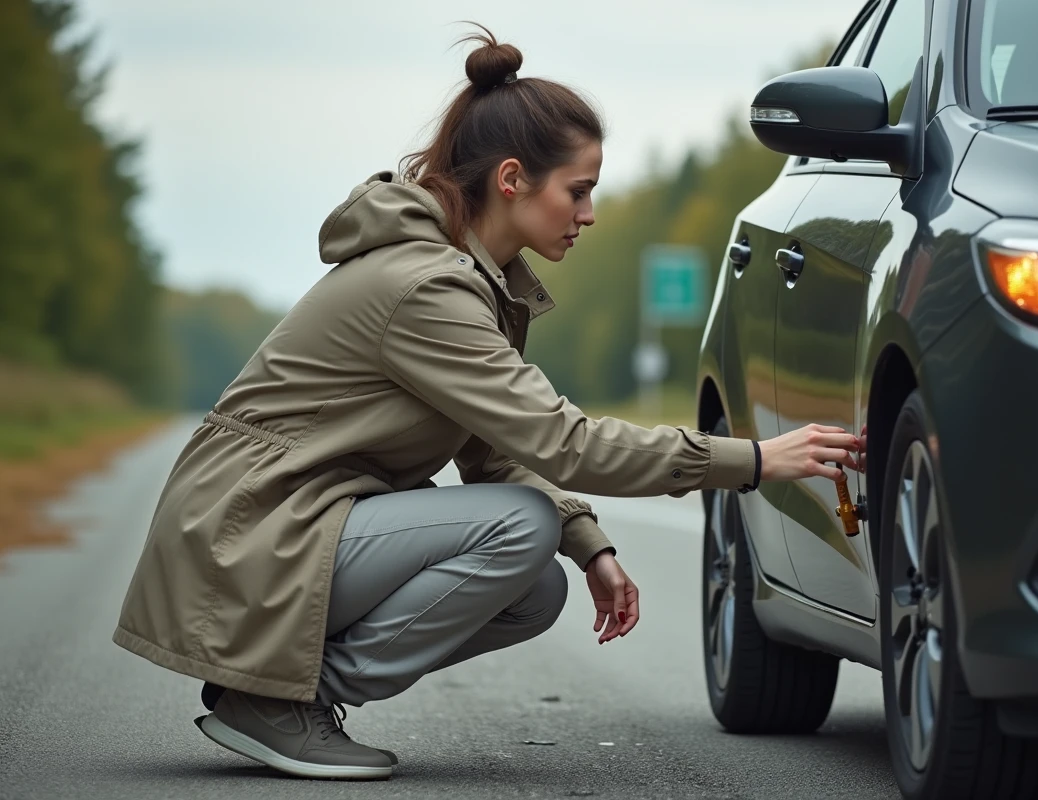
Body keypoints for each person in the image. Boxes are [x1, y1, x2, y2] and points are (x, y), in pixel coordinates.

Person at [112, 24, 862, 781]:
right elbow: (565, 443)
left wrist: (590, 544)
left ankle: (277, 693)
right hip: (250, 533)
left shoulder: (469, 281)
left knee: (537, 587)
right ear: (511, 180)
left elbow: (493, 447)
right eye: (579, 189)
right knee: (521, 526)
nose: (589, 212)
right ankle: (275, 702)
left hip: (284, 527)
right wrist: (756, 459)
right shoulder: (427, 287)